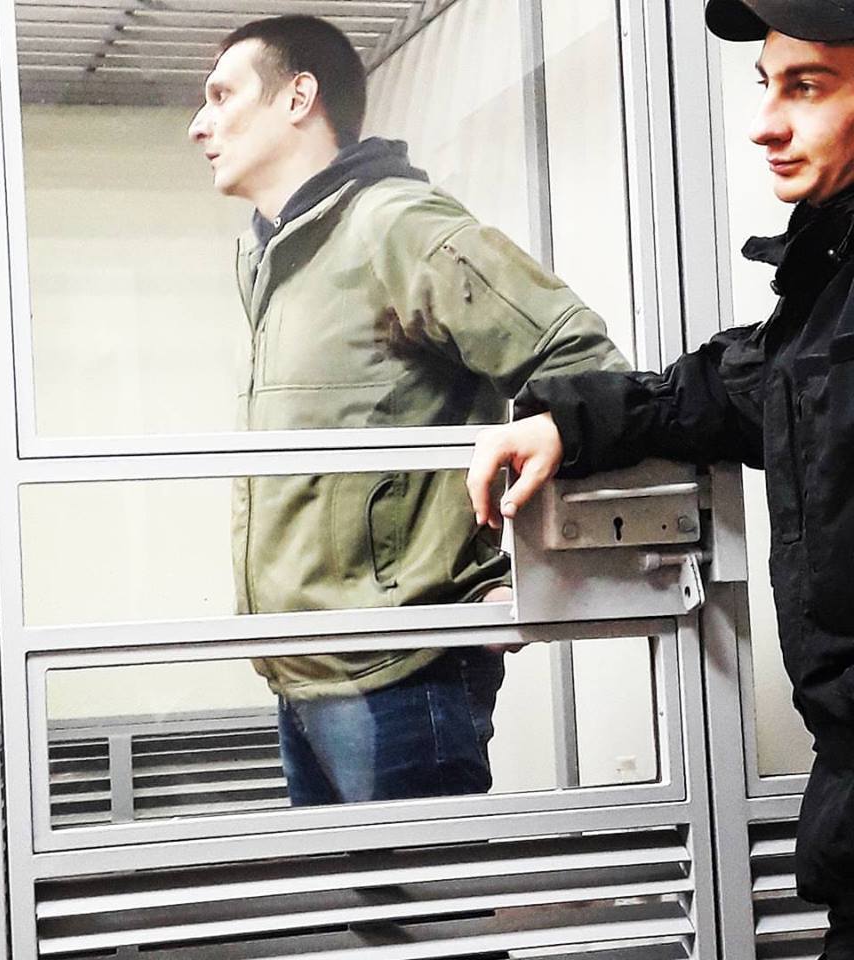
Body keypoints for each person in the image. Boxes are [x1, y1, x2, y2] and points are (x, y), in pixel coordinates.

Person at [466, 0, 854, 954]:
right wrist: (571, 421)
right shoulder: (832, 280)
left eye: (808, 87)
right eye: (767, 86)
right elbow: (739, 387)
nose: (765, 123)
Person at [188, 15, 626, 806]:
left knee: (425, 895)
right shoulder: (270, 254)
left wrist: (532, 577)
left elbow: (582, 364)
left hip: (404, 673)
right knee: (356, 891)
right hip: (302, 674)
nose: (199, 124)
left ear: (298, 98)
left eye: (222, 96)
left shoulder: (397, 225)